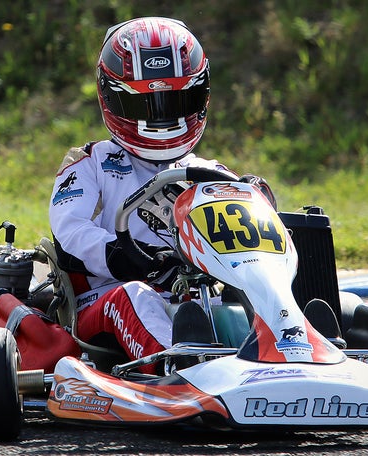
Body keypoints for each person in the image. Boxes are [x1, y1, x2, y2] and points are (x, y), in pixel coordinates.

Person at [48, 17, 275, 374]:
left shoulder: (212, 174)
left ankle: (304, 351)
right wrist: (126, 258)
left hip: (198, 299)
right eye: (145, 106)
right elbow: (70, 229)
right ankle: (182, 370)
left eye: (177, 102)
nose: (161, 118)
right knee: (136, 296)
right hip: (107, 298)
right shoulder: (93, 163)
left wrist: (259, 204)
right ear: (111, 97)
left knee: (261, 298)